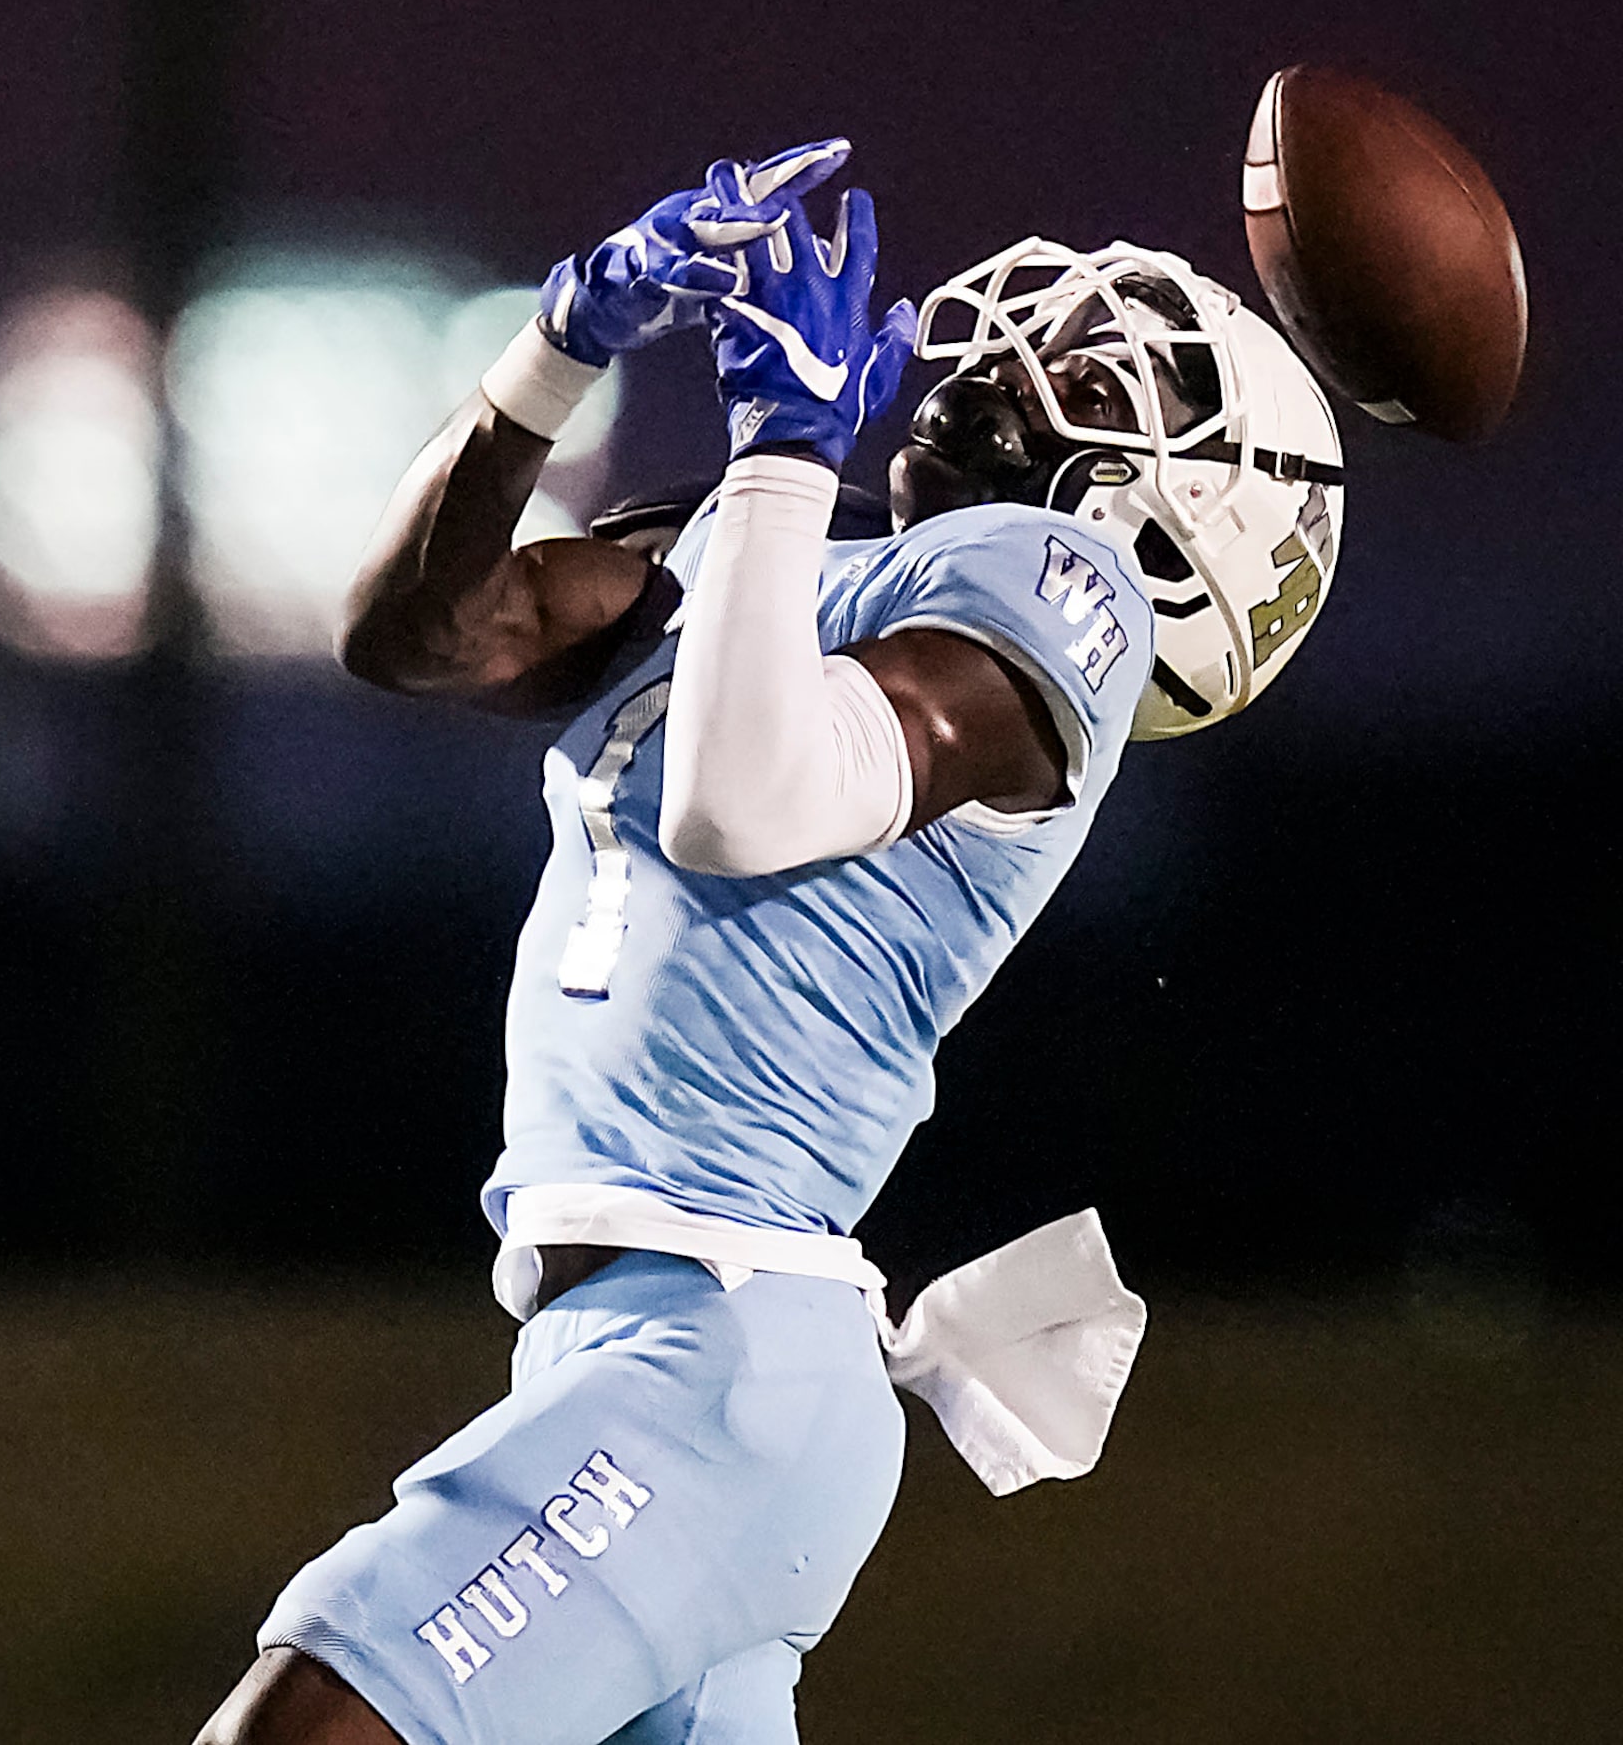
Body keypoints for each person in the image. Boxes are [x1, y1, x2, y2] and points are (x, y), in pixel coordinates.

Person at [195, 141, 1345, 1744]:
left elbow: (747, 799)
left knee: (313, 1722)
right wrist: (559, 348)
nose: (1049, 346)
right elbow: (409, 633)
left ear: (1175, 515)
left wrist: (786, 453)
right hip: (662, 1349)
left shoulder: (1052, 578)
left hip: (715, 1348)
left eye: (1112, 367)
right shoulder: (783, 549)